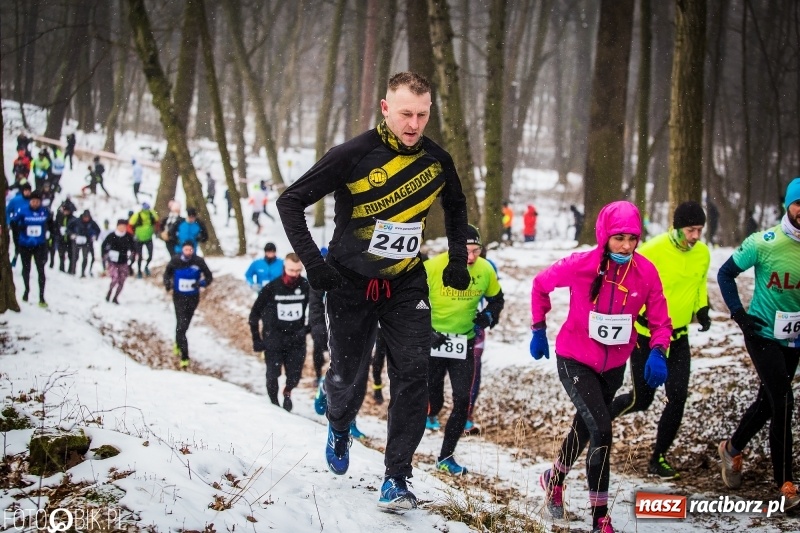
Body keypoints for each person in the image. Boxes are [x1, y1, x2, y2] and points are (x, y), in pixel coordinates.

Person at [277, 71, 470, 511]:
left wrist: (457, 260)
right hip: (349, 282)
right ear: (386, 108)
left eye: (422, 115)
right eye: (406, 113)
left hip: (405, 282)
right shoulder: (352, 154)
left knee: (413, 373)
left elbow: (456, 208)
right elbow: (290, 201)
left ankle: (396, 477)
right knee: (349, 377)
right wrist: (315, 264)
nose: (413, 124)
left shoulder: (437, 161)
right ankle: (339, 422)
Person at [531, 201, 672, 533]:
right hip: (575, 359)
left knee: (585, 427)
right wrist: (539, 329)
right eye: (618, 238)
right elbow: (540, 284)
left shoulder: (646, 272)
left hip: (613, 366)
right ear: (604, 236)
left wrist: (658, 350)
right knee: (602, 430)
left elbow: (660, 319)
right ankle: (600, 519)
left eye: (632, 239)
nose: (625, 246)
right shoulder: (581, 265)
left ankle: (554, 479)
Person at [609, 201, 711, 479]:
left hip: (678, 337)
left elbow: (698, 283)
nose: (695, 237)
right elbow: (627, 285)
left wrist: (701, 308)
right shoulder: (651, 250)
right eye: (690, 230)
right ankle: (596, 421)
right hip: (647, 337)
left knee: (677, 397)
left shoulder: (702, 253)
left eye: (700, 230)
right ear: (676, 227)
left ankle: (659, 457)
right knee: (642, 400)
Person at [715, 177, 800, 509]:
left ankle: (731, 448)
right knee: (784, 402)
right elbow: (725, 273)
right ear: (787, 206)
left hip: (793, 338)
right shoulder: (764, 242)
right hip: (762, 334)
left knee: (768, 402)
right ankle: (786, 483)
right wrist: (740, 315)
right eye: (798, 204)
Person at [425, 224, 504, 475]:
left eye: (476, 251)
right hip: (433, 342)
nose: (470, 257)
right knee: (432, 398)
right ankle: (425, 420)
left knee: (462, 400)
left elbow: (497, 299)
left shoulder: (485, 270)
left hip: (463, 342)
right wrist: (426, 329)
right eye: (465, 251)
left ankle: (446, 456)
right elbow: (410, 301)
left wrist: (488, 316)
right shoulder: (432, 267)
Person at [249, 253, 310, 411]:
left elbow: (317, 311)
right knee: (272, 375)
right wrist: (256, 338)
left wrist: (306, 329)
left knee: (295, 375)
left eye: (298, 270)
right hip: (274, 338)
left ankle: (288, 391)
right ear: (284, 268)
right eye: (291, 270)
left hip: (296, 339)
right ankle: (274, 405)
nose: (295, 274)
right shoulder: (271, 287)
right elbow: (254, 314)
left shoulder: (305, 286)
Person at [164, 241, 213, 369]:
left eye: (190, 250)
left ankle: (177, 341)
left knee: (184, 325)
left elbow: (209, 277)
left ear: (193, 250)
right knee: (181, 324)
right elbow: (167, 273)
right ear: (182, 250)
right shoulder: (175, 260)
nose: (188, 252)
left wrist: (200, 284)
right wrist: (168, 284)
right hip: (178, 296)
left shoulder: (198, 261)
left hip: (192, 298)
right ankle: (184, 356)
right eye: (186, 249)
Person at [10, 191, 52, 307]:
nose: (35, 203)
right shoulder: (23, 211)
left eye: (37, 201)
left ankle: (41, 297)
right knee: (26, 269)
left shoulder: (45, 211)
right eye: (33, 201)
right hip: (25, 245)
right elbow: (13, 223)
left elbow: (52, 225)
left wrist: (50, 238)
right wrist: (20, 228)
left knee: (41, 270)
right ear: (30, 201)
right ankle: (26, 290)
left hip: (40, 245)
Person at [101, 219, 136, 304]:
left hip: (123, 261)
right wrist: (105, 255)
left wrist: (132, 256)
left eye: (124, 226)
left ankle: (115, 297)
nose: (122, 228)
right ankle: (109, 292)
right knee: (115, 278)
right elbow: (104, 246)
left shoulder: (128, 236)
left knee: (122, 280)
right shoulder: (111, 235)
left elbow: (133, 248)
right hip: (112, 261)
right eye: (120, 226)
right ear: (117, 226)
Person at [67, 210, 101, 277]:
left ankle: (83, 272)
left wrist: (95, 236)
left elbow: (98, 230)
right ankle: (73, 271)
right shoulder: (76, 221)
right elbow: (68, 228)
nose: (86, 219)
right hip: (77, 240)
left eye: (87, 217)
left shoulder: (92, 222)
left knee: (85, 257)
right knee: (75, 257)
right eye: (85, 217)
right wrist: (71, 234)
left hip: (87, 241)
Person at [129, 202, 159, 278]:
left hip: (148, 238)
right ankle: (139, 271)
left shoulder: (151, 213)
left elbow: (157, 221)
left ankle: (146, 266)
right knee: (140, 256)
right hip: (139, 239)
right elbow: (130, 225)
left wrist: (156, 231)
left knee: (150, 255)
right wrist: (133, 234)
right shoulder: (137, 215)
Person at [6, 182, 32, 267]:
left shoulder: (32, 201)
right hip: (16, 225)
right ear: (23, 191)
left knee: (26, 244)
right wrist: (8, 221)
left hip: (28, 226)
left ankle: (24, 261)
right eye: (26, 190)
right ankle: (15, 257)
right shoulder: (15, 200)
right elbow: (7, 211)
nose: (27, 192)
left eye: (29, 191)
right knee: (17, 243)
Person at [52, 201, 76, 272]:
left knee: (71, 256)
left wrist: (69, 232)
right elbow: (55, 227)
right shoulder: (59, 217)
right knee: (61, 255)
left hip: (70, 240)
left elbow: (76, 228)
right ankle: (61, 269)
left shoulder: (73, 219)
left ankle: (70, 270)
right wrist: (58, 232)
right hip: (61, 239)